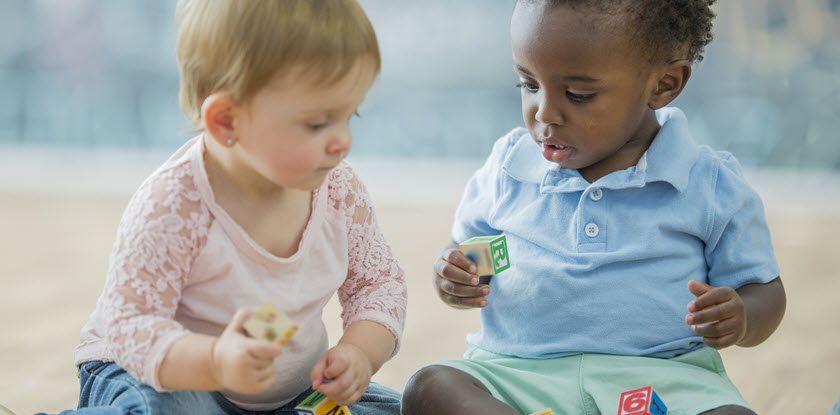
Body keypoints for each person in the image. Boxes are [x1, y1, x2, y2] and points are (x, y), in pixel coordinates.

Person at [402, 1, 785, 414]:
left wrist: (742, 316)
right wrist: (456, 274)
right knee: (429, 387)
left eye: (578, 95)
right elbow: (472, 251)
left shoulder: (709, 183)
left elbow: (764, 290)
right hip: (518, 377)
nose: (544, 113)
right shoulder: (509, 166)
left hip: (664, 380)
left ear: (664, 84)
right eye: (529, 85)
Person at [39, 1, 406, 414]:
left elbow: (378, 284)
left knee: (398, 409)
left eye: (349, 115)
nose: (343, 141)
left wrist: (360, 351)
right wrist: (216, 362)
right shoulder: (174, 205)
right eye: (318, 124)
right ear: (227, 121)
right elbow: (132, 328)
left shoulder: (341, 192)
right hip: (163, 377)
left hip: (291, 395)